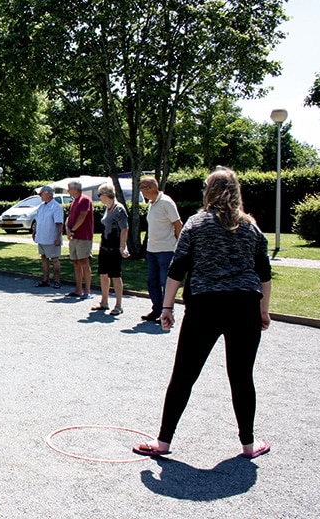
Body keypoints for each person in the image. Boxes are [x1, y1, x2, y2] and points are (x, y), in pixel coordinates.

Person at [133, 167, 272, 460]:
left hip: (205, 304)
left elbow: (177, 268)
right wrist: (263, 310)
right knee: (242, 376)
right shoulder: (251, 228)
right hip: (244, 305)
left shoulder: (197, 224)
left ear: (209, 191)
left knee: (184, 374)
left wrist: (167, 307)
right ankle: (248, 445)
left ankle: (163, 442)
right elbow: (264, 273)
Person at [139, 176, 182, 322]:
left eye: (142, 188)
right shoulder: (152, 203)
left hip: (166, 249)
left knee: (165, 282)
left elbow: (178, 224)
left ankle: (167, 311)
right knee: (152, 282)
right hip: (152, 250)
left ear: (151, 188)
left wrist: (178, 244)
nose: (141, 191)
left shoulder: (166, 202)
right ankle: (156, 309)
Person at [92, 184, 129, 315]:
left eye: (99, 195)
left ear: (106, 194)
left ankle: (118, 305)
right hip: (105, 246)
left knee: (116, 275)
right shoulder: (107, 208)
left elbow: (124, 229)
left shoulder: (119, 209)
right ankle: (104, 301)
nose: (99, 198)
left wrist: (122, 247)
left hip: (114, 247)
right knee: (103, 274)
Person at [65, 180, 94, 299]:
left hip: (83, 237)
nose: (68, 191)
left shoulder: (85, 200)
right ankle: (78, 290)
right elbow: (70, 217)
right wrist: (68, 228)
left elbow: (83, 216)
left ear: (75, 189)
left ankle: (87, 291)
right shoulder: (74, 202)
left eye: (69, 188)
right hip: (74, 237)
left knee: (84, 263)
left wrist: (73, 229)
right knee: (76, 263)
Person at [32, 185, 64, 288]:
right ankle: (46, 280)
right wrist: (34, 232)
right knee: (44, 258)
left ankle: (57, 280)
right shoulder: (41, 206)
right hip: (41, 238)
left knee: (55, 259)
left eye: (41, 193)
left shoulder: (56, 207)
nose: (40, 196)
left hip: (52, 238)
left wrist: (58, 238)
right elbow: (37, 221)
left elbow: (59, 224)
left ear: (48, 194)